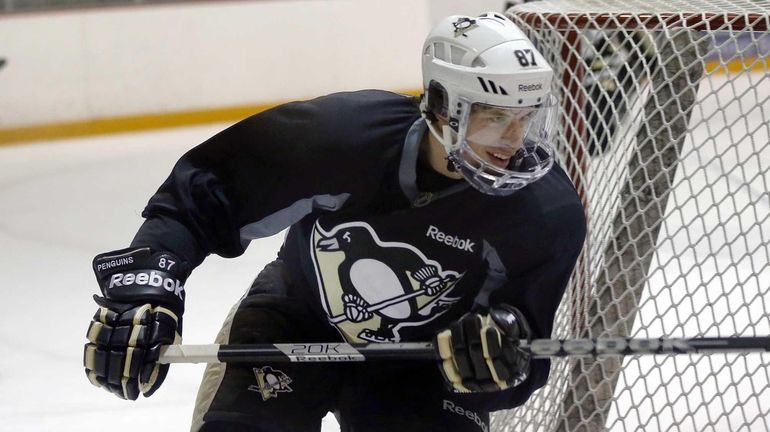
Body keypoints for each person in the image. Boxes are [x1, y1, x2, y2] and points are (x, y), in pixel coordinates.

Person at [83, 12, 586, 432]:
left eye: (527, 116)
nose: (515, 139)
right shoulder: (340, 140)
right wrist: (149, 287)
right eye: (495, 116)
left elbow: (523, 361)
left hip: (423, 365)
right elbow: (203, 198)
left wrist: (497, 355)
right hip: (292, 320)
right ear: (440, 106)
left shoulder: (545, 214)